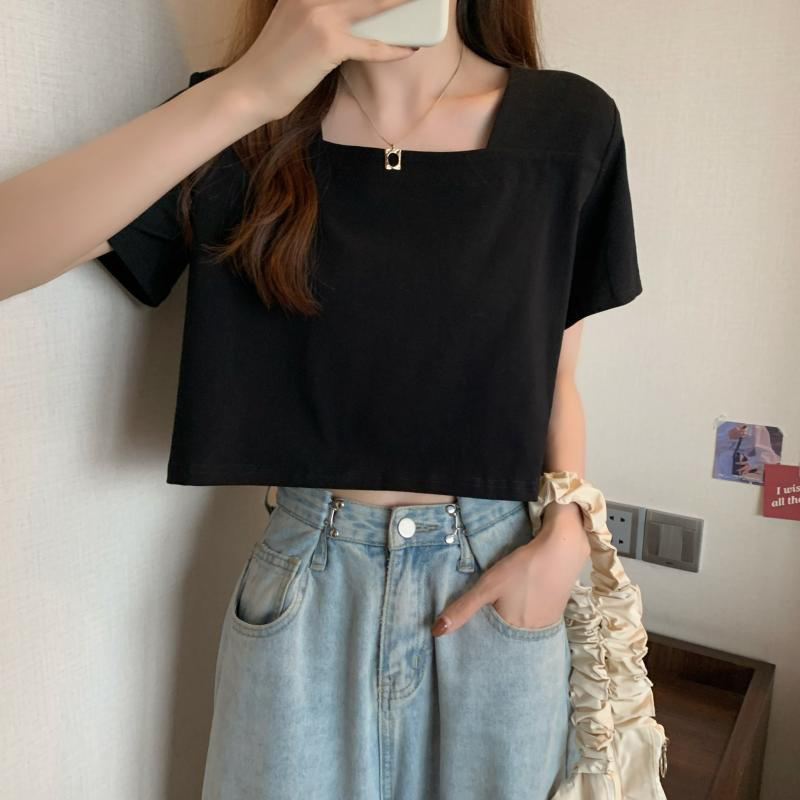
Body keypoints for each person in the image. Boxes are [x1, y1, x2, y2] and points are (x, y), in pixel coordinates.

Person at [0, 0, 643, 797]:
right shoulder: (249, 124)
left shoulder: (570, 125)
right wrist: (250, 91)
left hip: (497, 581)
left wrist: (567, 534)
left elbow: (556, 374)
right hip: (307, 583)